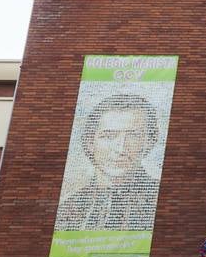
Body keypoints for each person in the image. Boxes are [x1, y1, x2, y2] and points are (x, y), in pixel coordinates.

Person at [55, 93, 163, 230]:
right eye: (108, 136)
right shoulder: (69, 208)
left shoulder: (158, 198)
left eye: (133, 136)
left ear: (149, 142)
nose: (121, 148)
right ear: (90, 142)